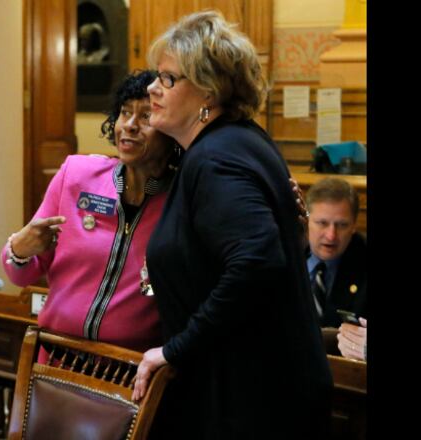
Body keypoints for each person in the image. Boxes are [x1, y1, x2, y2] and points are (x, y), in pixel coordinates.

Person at [132, 11, 332, 439]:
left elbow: (258, 263)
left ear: (208, 89)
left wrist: (174, 351)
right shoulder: (235, 142)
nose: (152, 87)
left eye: (167, 78)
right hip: (251, 389)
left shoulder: (217, 157)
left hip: (249, 401)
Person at [1, 70, 179, 353]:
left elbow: (167, 292)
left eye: (145, 117)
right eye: (124, 113)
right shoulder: (77, 174)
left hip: (126, 368)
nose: (130, 126)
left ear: (172, 130)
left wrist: (149, 287)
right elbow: (21, 274)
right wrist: (19, 252)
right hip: (54, 353)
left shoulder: (179, 200)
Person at [306, 177, 367, 328]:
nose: (331, 235)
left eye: (342, 225)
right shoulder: (282, 253)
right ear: (306, 220)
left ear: (353, 226)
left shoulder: (364, 259)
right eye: (322, 223)